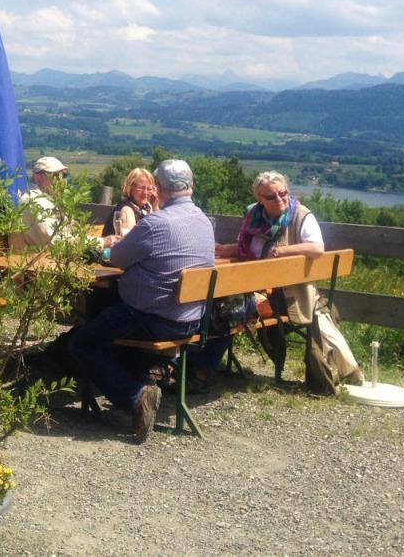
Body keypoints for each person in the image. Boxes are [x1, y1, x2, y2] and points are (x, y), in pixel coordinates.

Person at [68, 158, 215, 442]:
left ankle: (135, 397)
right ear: (191, 186)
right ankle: (132, 384)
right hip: (191, 320)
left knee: (82, 341)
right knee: (107, 322)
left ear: (158, 188)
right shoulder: (204, 222)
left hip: (151, 319)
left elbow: (120, 258)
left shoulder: (156, 223)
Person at [216, 170, 324, 324]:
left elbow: (317, 248)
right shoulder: (253, 216)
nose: (279, 199)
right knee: (222, 306)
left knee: (226, 309)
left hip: (286, 295)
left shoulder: (301, 215)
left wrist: (280, 251)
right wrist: (222, 249)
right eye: (271, 197)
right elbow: (246, 248)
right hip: (254, 284)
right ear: (260, 199)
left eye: (282, 193)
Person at [10, 155, 69, 250]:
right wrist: (99, 243)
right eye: (56, 176)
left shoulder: (43, 199)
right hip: (37, 261)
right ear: (38, 177)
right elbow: (55, 241)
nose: (61, 181)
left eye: (64, 175)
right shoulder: (35, 201)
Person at [101, 167, 158, 238]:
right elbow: (131, 241)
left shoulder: (146, 207)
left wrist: (155, 205)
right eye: (141, 188)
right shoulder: (126, 210)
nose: (145, 193)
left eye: (149, 189)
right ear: (130, 187)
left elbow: (158, 230)